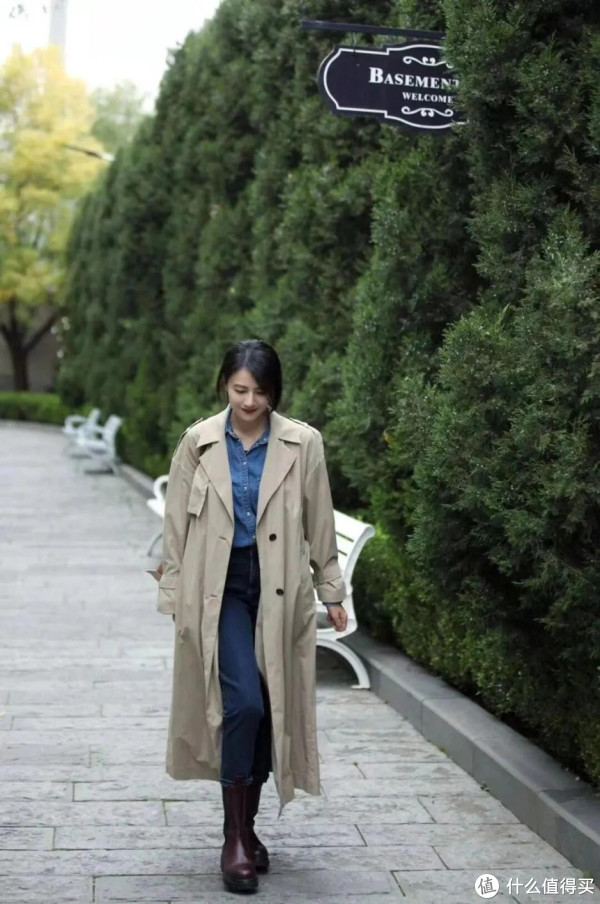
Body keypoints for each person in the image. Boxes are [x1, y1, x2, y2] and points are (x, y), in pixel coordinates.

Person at [156, 338, 348, 894]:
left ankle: (247, 828)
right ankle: (233, 838)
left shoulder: (302, 443)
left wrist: (332, 591)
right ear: (224, 385)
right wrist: (174, 597)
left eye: (260, 392)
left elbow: (319, 519)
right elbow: (175, 526)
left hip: (280, 590)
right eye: (240, 390)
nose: (248, 402)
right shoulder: (198, 442)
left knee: (269, 708)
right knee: (242, 703)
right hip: (221, 592)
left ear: (274, 393)